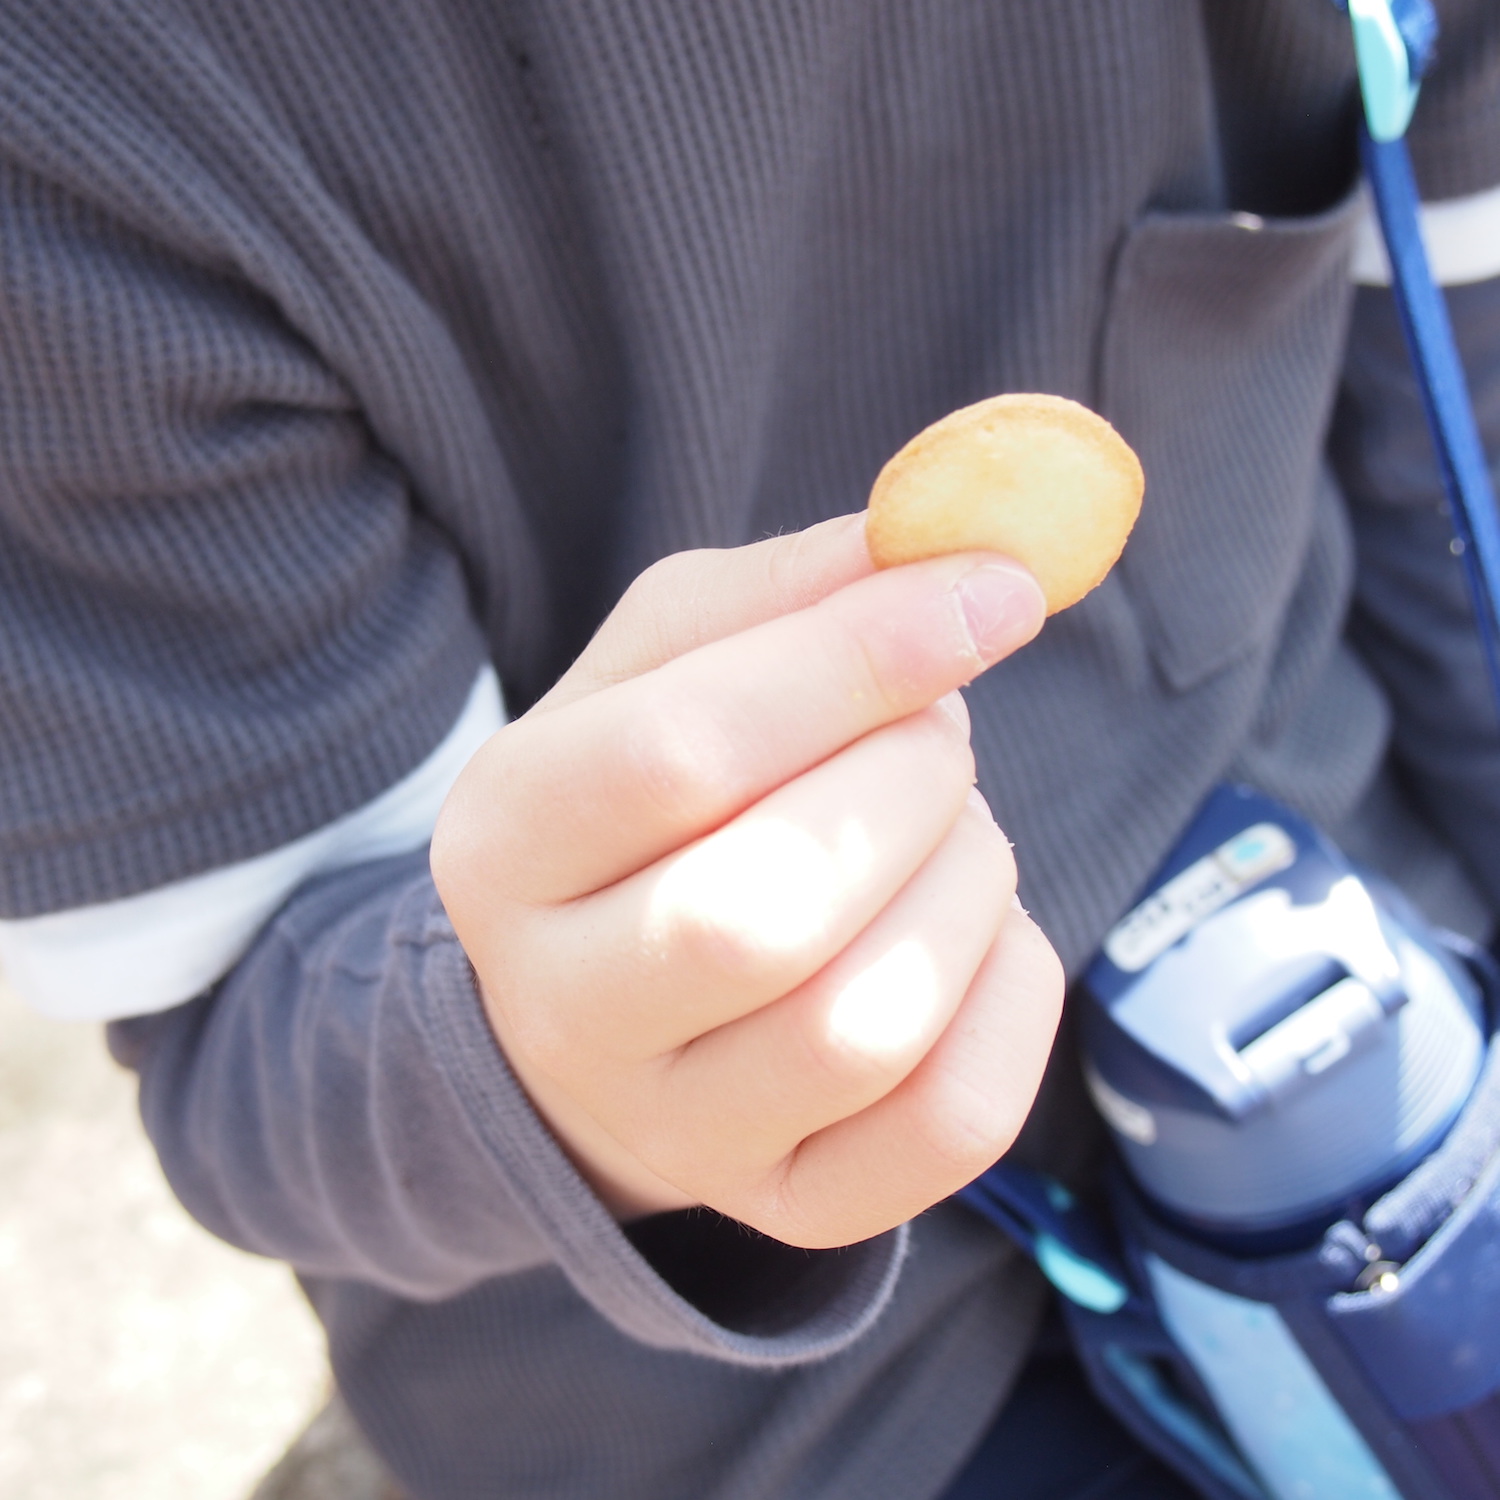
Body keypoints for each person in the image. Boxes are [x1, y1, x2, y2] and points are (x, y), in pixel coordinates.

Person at [2, 3, 1499, 1496]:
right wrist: (545, 1081)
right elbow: (244, 1030)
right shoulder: (72, 116)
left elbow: (1457, 414)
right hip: (758, 1380)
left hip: (1357, 962)